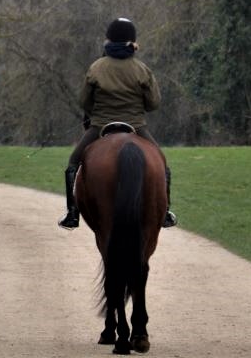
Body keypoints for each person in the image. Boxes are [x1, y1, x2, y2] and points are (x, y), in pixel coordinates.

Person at [59, 17, 177, 231]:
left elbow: (84, 102)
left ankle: (72, 213)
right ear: (132, 41)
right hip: (137, 126)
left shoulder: (96, 68)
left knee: (74, 161)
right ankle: (166, 211)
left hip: (100, 126)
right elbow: (153, 103)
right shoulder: (142, 69)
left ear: (109, 40)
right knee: (162, 163)